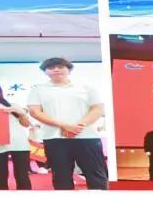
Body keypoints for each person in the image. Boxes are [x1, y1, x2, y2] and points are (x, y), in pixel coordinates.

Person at [26, 58, 107, 190]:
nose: (56, 70)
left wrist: (78, 126)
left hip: (86, 136)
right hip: (55, 138)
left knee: (95, 175)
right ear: (45, 71)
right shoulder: (38, 89)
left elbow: (98, 108)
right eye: (51, 68)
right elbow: (34, 111)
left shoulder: (86, 87)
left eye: (60, 67)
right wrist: (64, 126)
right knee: (61, 177)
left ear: (68, 69)